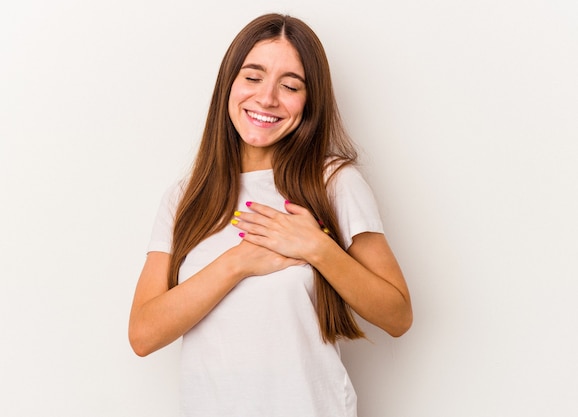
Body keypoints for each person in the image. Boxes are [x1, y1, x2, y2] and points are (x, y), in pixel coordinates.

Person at [128, 13, 412, 417]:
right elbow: (143, 334)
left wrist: (318, 248)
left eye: (290, 85)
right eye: (253, 77)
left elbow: (398, 315)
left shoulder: (333, 182)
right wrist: (239, 262)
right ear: (229, 83)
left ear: (309, 100)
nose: (267, 98)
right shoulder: (185, 197)